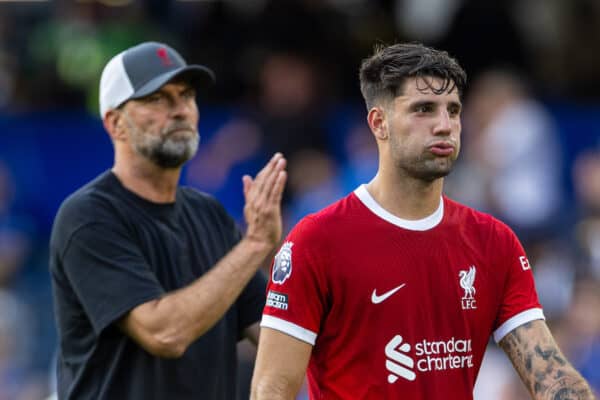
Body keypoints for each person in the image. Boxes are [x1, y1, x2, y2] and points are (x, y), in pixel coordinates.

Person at [250, 43, 594, 399]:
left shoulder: (494, 242)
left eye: (454, 110)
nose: (445, 126)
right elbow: (272, 388)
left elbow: (552, 376)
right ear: (379, 123)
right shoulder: (317, 241)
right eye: (424, 110)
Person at [49, 41, 287, 400]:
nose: (179, 110)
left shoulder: (209, 214)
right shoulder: (88, 216)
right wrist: (255, 245)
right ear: (116, 123)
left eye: (186, 96)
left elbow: (275, 334)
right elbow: (164, 333)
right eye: (156, 99)